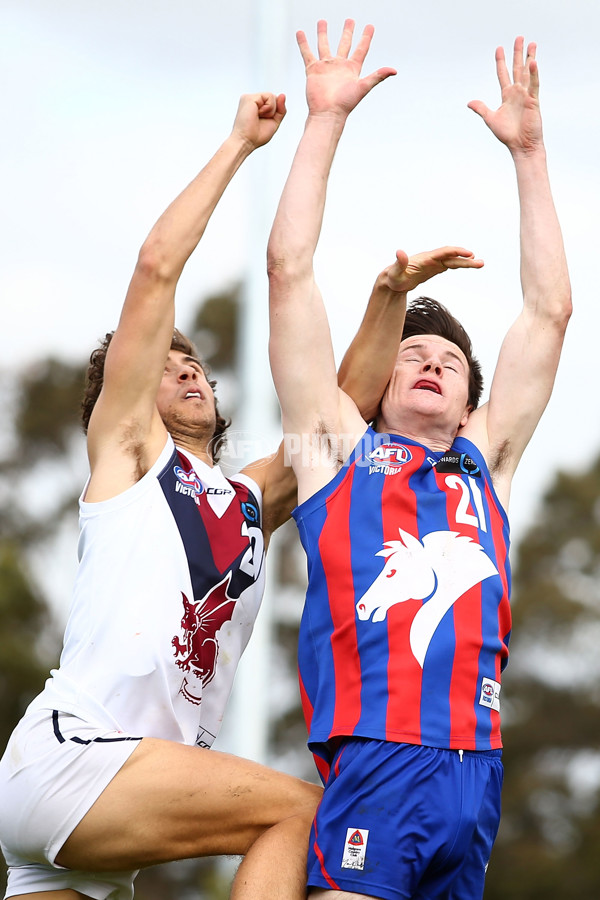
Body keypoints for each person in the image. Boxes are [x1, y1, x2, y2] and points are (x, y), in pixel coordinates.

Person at [0, 89, 414, 900]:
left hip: (98, 811)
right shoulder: (128, 457)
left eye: (194, 361)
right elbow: (157, 266)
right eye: (164, 363)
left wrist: (389, 297)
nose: (186, 367)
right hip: (81, 756)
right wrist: (238, 146)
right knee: (302, 815)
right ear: (119, 399)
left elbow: (344, 413)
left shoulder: (245, 501)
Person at [267, 19, 571, 900]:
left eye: (451, 362)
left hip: (478, 776)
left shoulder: (487, 466)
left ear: (473, 398)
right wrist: (324, 120)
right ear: (379, 383)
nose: (433, 361)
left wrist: (530, 153)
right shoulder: (335, 453)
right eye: (412, 352)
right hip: (378, 760)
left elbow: (548, 312)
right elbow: (290, 272)